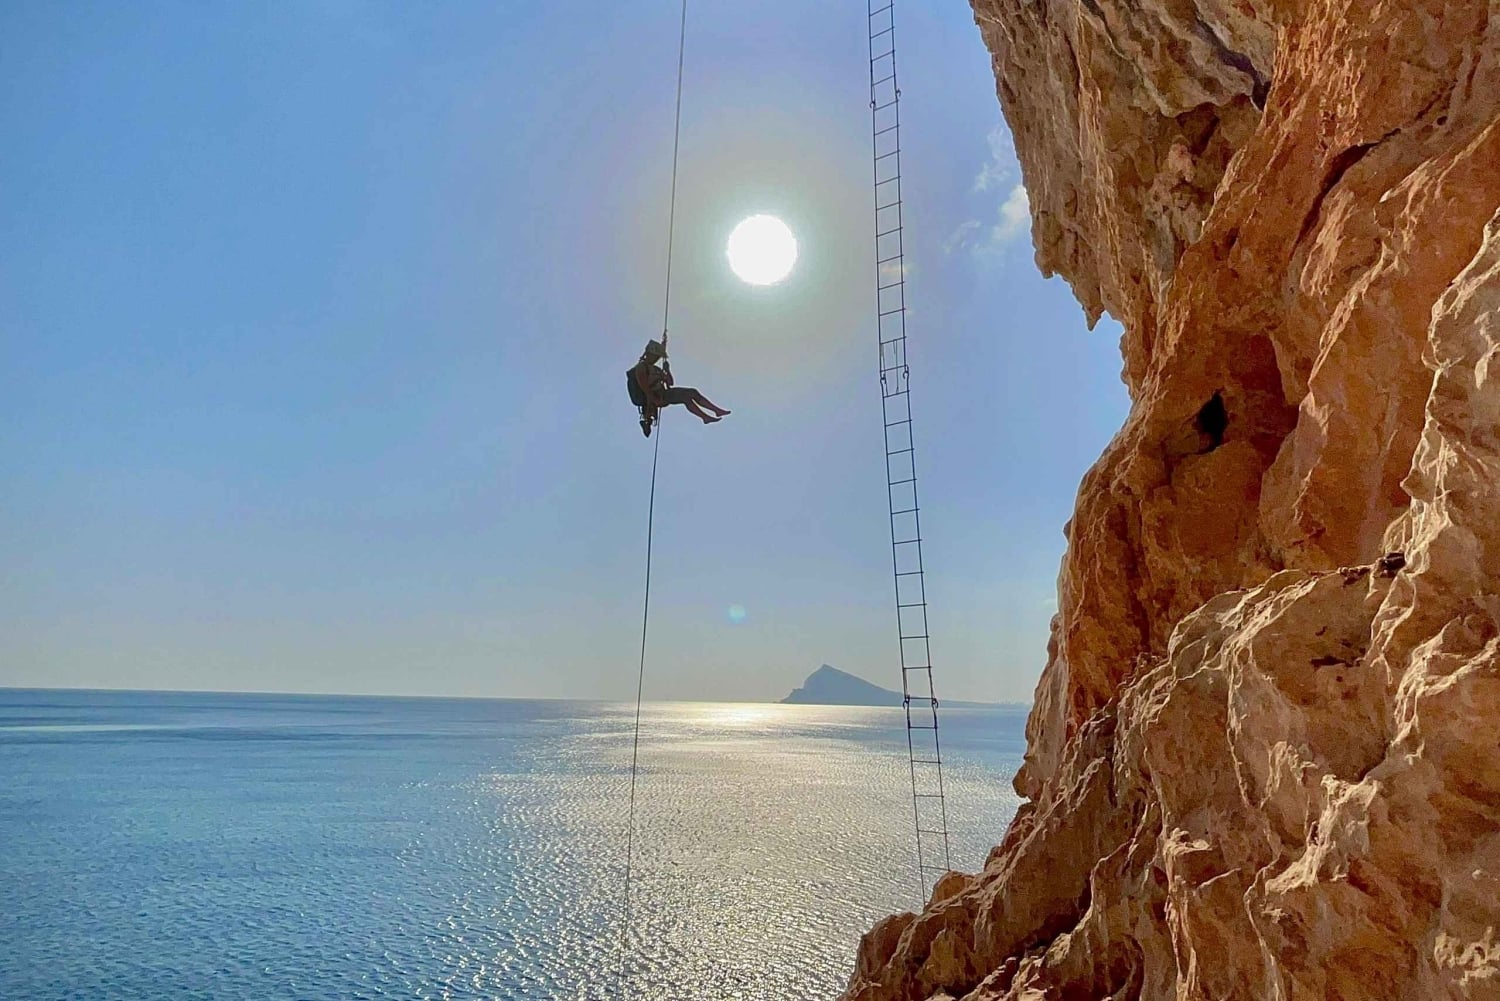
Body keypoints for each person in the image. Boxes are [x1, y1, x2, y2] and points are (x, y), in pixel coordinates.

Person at [625, 336, 729, 436]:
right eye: (656, 356)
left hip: (662, 394)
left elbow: (670, 382)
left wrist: (667, 370)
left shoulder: (655, 369)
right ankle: (707, 416)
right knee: (686, 396)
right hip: (657, 396)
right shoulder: (641, 368)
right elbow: (645, 388)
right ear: (650, 354)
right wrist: (654, 400)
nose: (657, 358)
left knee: (691, 393)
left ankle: (713, 412)